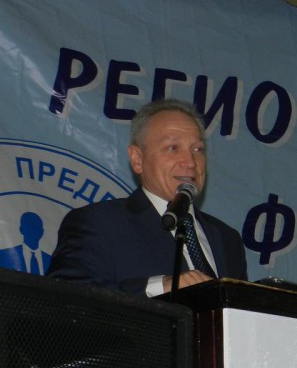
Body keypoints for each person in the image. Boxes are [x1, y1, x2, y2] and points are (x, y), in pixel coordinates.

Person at [47, 98, 247, 296]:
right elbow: (66, 295)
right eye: (173, 148)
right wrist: (161, 286)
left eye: (197, 149)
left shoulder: (227, 239)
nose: (190, 162)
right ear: (137, 159)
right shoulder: (99, 223)